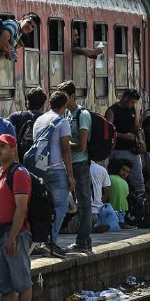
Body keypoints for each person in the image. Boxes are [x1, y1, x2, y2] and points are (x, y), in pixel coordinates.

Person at [0, 134, 33, 301]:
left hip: (16, 234)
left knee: (22, 282)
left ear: (13, 150)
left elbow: (21, 209)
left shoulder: (18, 173)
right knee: (5, 285)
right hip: (0, 235)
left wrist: (13, 236)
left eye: (3, 146)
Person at [32, 91, 74, 259]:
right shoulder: (62, 121)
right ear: (64, 106)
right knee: (61, 206)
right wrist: (70, 175)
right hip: (57, 169)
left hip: (39, 169)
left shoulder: (39, 120)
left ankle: (39, 241)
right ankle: (50, 242)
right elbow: (66, 149)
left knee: (43, 207)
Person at [57, 80, 93, 253]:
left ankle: (82, 240)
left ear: (73, 96)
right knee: (78, 202)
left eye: (65, 97)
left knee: (84, 203)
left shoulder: (82, 115)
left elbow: (82, 145)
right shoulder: (67, 115)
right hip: (70, 164)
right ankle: (85, 240)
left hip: (80, 164)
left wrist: (63, 143)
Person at [106, 89, 146, 195]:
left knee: (138, 180)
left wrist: (140, 139)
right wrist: (123, 136)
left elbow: (137, 126)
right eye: (132, 102)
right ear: (125, 98)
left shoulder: (132, 109)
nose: (133, 104)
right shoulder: (112, 110)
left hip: (133, 150)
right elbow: (108, 132)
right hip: (118, 150)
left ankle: (141, 203)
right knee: (118, 180)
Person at [8, 87, 48, 162]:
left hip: (20, 160)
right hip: (40, 162)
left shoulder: (15, 117)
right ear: (43, 104)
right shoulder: (47, 119)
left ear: (27, 103)